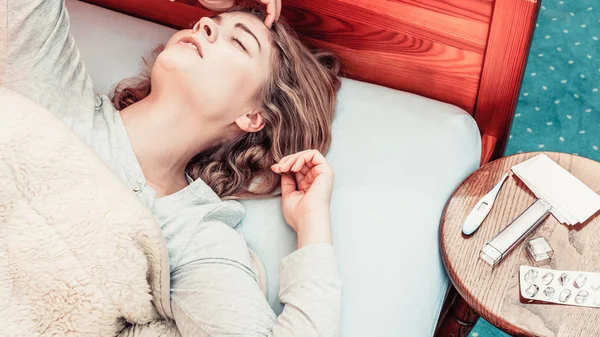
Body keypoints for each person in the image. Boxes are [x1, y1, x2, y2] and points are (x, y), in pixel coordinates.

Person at [0, 0, 342, 335]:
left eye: (238, 41)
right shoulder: (55, 86)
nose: (203, 24)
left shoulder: (194, 231)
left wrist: (312, 224)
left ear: (253, 116)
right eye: (208, 22)